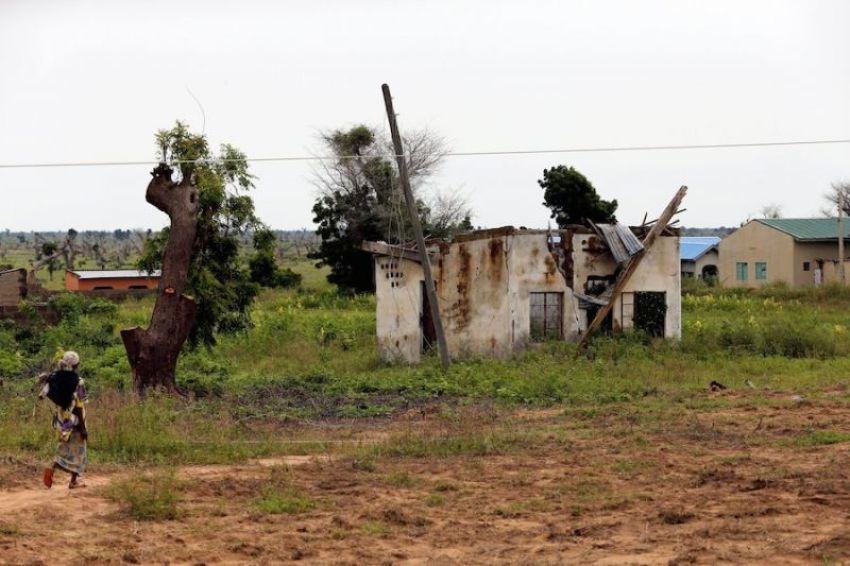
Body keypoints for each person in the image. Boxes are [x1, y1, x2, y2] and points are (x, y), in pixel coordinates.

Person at [39, 351, 88, 489]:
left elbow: (47, 392)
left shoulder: (55, 377)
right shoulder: (79, 381)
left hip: (62, 419)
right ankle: (73, 481)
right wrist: (83, 427)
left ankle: (53, 466)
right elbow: (79, 404)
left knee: (64, 445)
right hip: (75, 419)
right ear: (76, 364)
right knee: (79, 449)